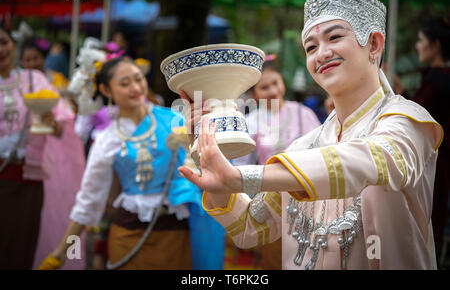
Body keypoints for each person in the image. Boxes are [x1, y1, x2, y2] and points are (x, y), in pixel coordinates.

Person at [178, 0, 443, 269]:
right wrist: (213, 162)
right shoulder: (304, 146)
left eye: (335, 37)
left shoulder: (408, 122)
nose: (322, 53)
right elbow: (251, 227)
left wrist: (242, 177)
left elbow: (374, 159)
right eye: (311, 47)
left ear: (374, 44)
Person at [39, 56, 219, 270]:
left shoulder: (175, 120)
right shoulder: (107, 141)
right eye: (125, 84)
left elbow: (209, 162)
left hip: (174, 230)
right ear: (106, 90)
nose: (135, 88)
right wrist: (60, 254)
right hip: (127, 233)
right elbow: (88, 202)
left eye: (138, 79)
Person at [0, 25, 84, 269]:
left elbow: (63, 123)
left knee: (23, 243)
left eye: (4, 42)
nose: (1, 49)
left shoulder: (34, 79)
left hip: (28, 180)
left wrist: (53, 125)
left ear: (13, 44)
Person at [233, 59, 321, 269]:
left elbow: (322, 151)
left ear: (283, 82)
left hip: (307, 194)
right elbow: (241, 164)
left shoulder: (303, 113)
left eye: (275, 83)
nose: (272, 90)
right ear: (255, 95)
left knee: (310, 255)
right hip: (271, 198)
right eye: (264, 87)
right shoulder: (251, 121)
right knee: (275, 256)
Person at [413, 16, 450, 265]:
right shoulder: (435, 79)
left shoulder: (439, 81)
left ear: (435, 45)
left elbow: (418, 117)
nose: (417, 45)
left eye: (421, 40)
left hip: (439, 162)